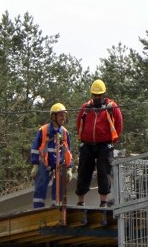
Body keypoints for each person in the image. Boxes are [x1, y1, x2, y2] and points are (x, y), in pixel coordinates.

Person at [75, 79, 123, 208]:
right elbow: (79, 123)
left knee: (104, 172)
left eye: (99, 95)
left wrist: (112, 141)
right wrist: (83, 138)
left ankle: (103, 202)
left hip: (105, 145)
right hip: (87, 144)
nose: (97, 98)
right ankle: (81, 201)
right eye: (95, 95)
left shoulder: (111, 107)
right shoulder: (86, 108)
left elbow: (118, 125)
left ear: (103, 94)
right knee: (83, 171)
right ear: (92, 94)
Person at [30, 103, 73, 209]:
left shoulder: (64, 132)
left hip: (60, 163)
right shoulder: (43, 130)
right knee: (41, 183)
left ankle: (56, 207)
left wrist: (69, 168)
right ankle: (38, 209)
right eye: (61, 115)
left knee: (59, 187)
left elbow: (68, 151)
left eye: (64, 115)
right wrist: (35, 164)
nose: (63, 118)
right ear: (53, 116)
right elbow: (35, 148)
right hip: (45, 162)